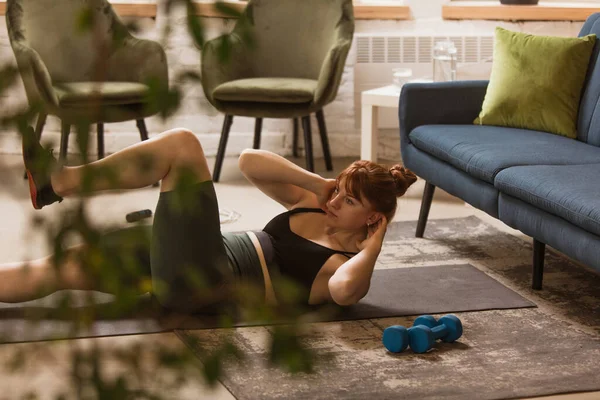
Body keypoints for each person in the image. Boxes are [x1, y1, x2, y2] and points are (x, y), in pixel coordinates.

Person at [1, 127, 417, 314]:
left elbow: (346, 294)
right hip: (185, 252)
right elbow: (249, 162)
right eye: (340, 191)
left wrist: (375, 244)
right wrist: (317, 182)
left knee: (182, 146)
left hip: (204, 278)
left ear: (373, 217)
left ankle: (62, 181)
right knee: (56, 269)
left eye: (349, 201)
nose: (336, 202)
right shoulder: (313, 204)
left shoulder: (345, 264)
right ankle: (56, 184)